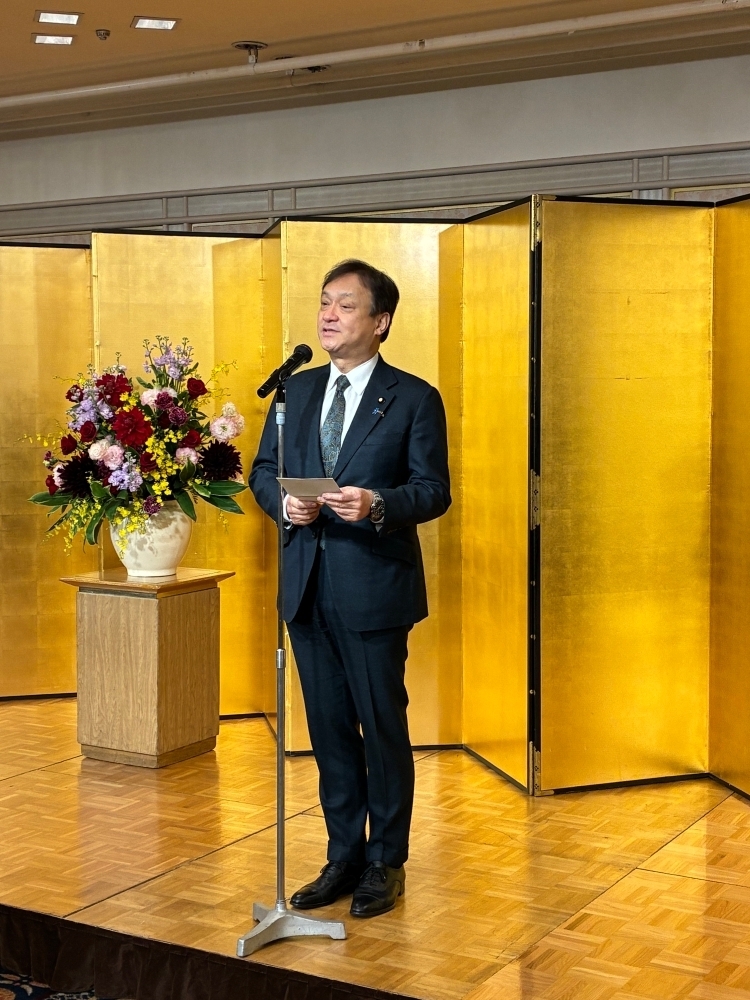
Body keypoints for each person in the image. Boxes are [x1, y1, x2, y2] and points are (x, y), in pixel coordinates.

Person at [250, 258, 451, 918]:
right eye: (323, 302)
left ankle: (386, 862)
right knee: (329, 729)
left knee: (381, 727)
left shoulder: (415, 398)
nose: (328, 315)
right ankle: (343, 854)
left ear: (380, 321)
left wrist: (377, 503)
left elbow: (432, 491)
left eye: (344, 305)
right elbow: (263, 474)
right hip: (306, 586)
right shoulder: (295, 392)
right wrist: (287, 506)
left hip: (373, 589)